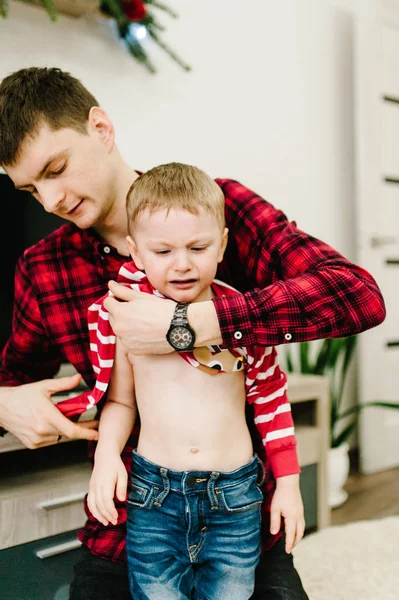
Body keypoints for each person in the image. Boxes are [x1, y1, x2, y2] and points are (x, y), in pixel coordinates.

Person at [0, 67, 385, 600]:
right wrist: (4, 405)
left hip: (240, 514)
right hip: (128, 525)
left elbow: (355, 295)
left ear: (101, 128)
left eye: (57, 168)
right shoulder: (43, 267)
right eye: (29, 188)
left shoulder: (218, 208)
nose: (50, 201)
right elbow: (14, 379)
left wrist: (190, 324)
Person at [80, 162, 304, 600]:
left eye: (198, 247)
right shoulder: (128, 318)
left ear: (221, 245)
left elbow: (271, 399)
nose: (182, 265)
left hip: (235, 497)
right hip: (154, 497)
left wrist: (290, 486)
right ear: (135, 252)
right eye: (162, 252)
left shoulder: (238, 316)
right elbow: (121, 402)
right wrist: (106, 456)